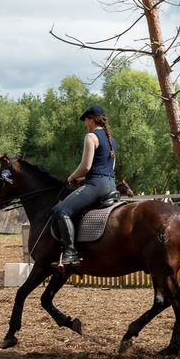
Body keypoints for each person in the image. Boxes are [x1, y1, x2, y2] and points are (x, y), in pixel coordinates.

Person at [52, 105, 117, 267]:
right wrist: (83, 180)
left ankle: (71, 253)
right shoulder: (111, 141)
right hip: (111, 184)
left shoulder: (91, 136)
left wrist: (72, 177)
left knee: (62, 211)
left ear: (91, 120)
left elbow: (86, 166)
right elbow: (111, 166)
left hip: (97, 185)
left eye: (85, 120)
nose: (85, 124)